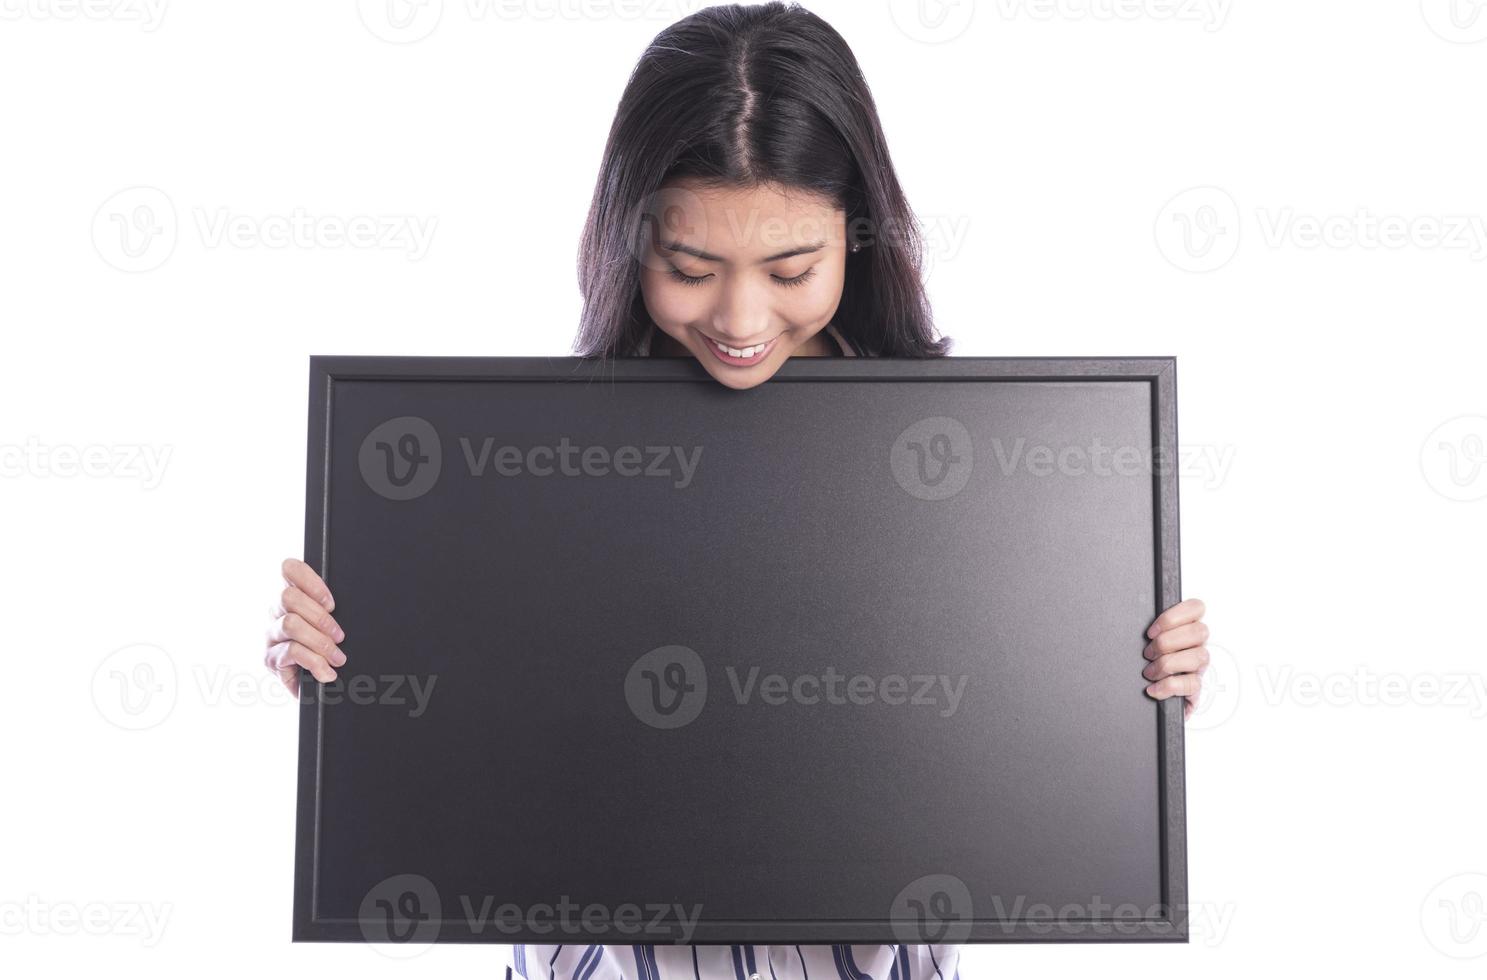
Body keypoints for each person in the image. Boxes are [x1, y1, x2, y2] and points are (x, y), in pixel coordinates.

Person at [264, 3, 1210, 977]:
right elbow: (458, 738)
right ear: (631, 244)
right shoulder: (522, 468)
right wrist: (345, 667)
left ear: (857, 239)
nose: (741, 317)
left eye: (791, 267)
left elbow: (1013, 755)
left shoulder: (962, 468)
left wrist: (1128, 693)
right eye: (691, 268)